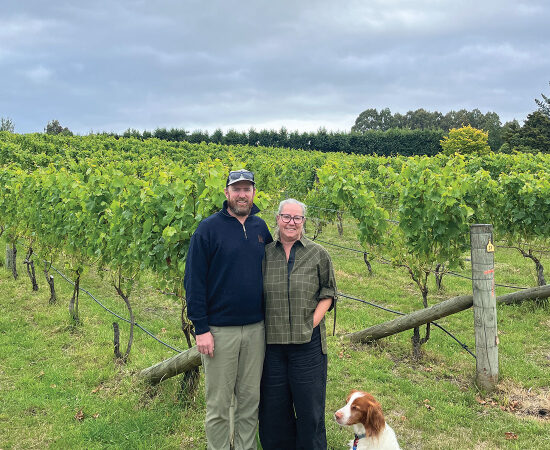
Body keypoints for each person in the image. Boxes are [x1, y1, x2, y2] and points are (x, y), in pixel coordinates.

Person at [184, 169, 273, 450]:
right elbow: (194, 281)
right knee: (219, 406)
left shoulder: (261, 228)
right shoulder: (208, 229)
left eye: (247, 189)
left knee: (250, 402)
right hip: (219, 332)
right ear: (226, 193)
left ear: (254, 193)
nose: (242, 194)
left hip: (256, 330)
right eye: (237, 189)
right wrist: (201, 328)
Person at [259, 198, 337, 450]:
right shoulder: (265, 254)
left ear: (304, 221)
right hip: (272, 346)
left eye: (297, 218)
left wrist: (311, 323)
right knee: (274, 410)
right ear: (277, 218)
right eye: (286, 217)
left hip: (308, 345)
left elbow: (328, 292)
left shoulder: (318, 254)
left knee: (309, 409)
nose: (291, 222)